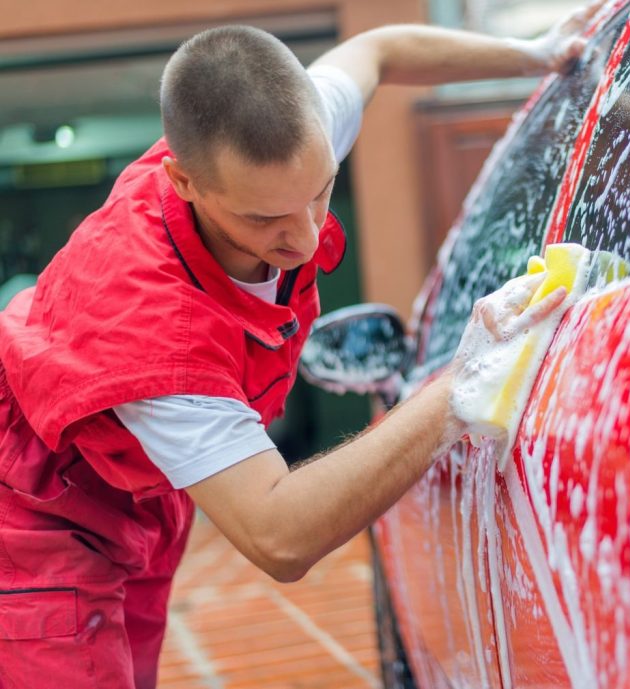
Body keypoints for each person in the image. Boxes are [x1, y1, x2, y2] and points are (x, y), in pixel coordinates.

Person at [0, 6, 598, 687]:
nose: (308, 239)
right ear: (184, 182)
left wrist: (539, 54)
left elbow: (380, 49)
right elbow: (278, 534)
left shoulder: (289, 138)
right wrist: (462, 383)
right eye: (264, 219)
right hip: (28, 518)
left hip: (129, 496)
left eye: (321, 192)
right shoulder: (153, 335)